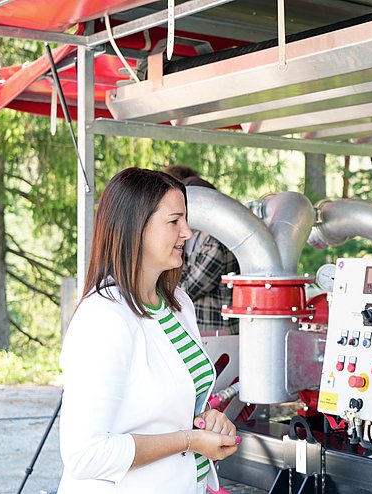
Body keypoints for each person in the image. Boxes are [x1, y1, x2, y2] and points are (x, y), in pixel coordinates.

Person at [58, 167, 239, 494]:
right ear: (134, 228)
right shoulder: (104, 317)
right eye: (174, 221)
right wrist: (191, 440)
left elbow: (177, 406)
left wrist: (208, 419)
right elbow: (85, 455)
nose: (187, 232)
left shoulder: (179, 304)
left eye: (186, 220)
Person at [164, 168, 240, 335]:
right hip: (204, 330)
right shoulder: (198, 237)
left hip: (218, 332)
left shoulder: (218, 242)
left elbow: (187, 289)